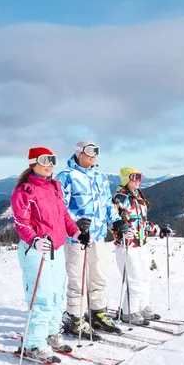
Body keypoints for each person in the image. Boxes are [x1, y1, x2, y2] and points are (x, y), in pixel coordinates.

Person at [11, 147, 91, 363]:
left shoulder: (55, 186)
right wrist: (35, 240)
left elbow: (63, 215)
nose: (50, 164)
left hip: (56, 248)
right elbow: (20, 223)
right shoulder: (25, 191)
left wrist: (76, 232)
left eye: (53, 160)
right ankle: (34, 343)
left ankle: (51, 332)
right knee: (41, 297)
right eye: (45, 160)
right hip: (36, 250)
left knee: (56, 294)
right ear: (32, 162)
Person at [56, 141, 133, 338]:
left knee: (99, 275)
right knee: (77, 280)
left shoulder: (100, 176)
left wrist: (117, 222)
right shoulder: (66, 177)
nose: (93, 155)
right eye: (89, 151)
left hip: (98, 235)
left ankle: (97, 313)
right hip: (77, 238)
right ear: (79, 153)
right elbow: (59, 207)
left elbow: (107, 204)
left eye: (97, 152)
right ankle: (74, 317)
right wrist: (76, 223)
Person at [112, 167, 161, 324]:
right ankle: (129, 311)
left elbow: (142, 222)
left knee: (145, 277)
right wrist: (119, 230)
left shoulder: (139, 196)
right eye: (135, 177)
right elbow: (111, 219)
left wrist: (157, 229)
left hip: (141, 243)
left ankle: (142, 306)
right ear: (126, 179)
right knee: (134, 279)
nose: (139, 180)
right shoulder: (119, 198)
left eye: (140, 177)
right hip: (127, 245)